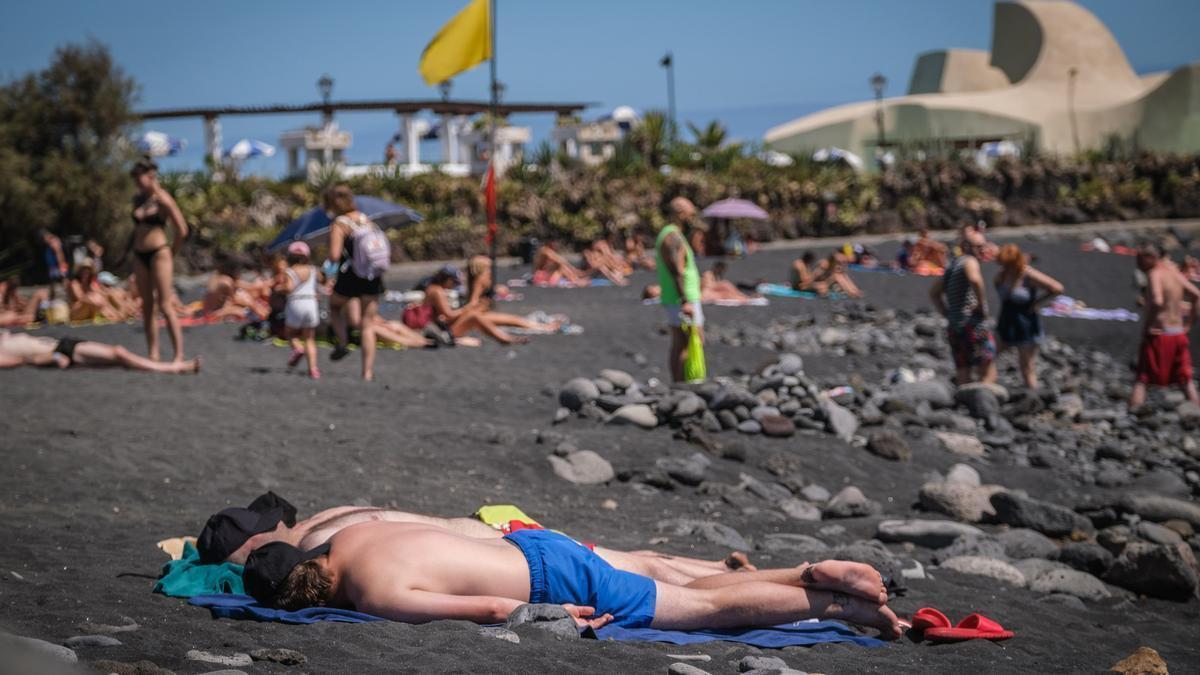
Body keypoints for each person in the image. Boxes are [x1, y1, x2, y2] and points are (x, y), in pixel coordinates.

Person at [243, 522, 901, 638]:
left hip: (546, 578)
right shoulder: (354, 539)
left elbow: (494, 608)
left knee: (705, 612)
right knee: (678, 583)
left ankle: (839, 605)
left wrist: (568, 618)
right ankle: (802, 571)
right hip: (533, 542)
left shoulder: (373, 593)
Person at [198, 493, 753, 585]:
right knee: (629, 558)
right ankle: (715, 566)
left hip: (504, 545)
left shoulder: (323, 543)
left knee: (630, 569)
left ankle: (721, 577)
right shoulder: (328, 514)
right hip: (494, 524)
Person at [129, 159, 189, 362]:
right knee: (147, 305)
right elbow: (136, 229)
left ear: (151, 175)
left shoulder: (163, 199)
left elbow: (182, 229)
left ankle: (178, 354)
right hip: (139, 254)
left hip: (159, 252)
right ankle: (153, 352)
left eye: (140, 177)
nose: (137, 182)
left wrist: (172, 252)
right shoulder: (138, 199)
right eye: (135, 178)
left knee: (165, 304)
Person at [324, 183, 385, 381]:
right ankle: (367, 372)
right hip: (372, 275)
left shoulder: (340, 223)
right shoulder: (365, 219)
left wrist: (325, 269)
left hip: (351, 275)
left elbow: (334, 255)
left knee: (334, 306)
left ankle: (342, 342)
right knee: (368, 324)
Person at [1129, 242, 1200, 408]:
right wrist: (1188, 325)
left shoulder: (1155, 274)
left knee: (1142, 377)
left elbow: (1157, 300)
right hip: (1177, 332)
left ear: (1151, 258)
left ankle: (1132, 413)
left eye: (1140, 259)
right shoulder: (1174, 273)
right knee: (1185, 379)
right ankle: (1197, 412)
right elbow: (1197, 295)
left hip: (1160, 333)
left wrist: (1148, 326)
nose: (1137, 263)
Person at [929, 229, 997, 385]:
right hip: (972, 325)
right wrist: (982, 305)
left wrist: (947, 313)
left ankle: (965, 404)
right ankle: (985, 405)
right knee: (987, 370)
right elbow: (975, 280)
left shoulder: (952, 265)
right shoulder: (969, 261)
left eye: (983, 246)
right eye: (978, 246)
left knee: (963, 370)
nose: (982, 250)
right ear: (966, 247)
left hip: (954, 325)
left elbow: (934, 293)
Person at [993, 244, 1064, 389]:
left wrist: (1037, 303)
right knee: (989, 356)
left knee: (1026, 366)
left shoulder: (1027, 274)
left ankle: (1033, 396)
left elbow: (1057, 288)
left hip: (1025, 323)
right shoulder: (1001, 275)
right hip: (1006, 321)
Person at [655, 197, 704, 382]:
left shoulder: (671, 234)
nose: (692, 217)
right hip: (682, 299)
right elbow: (677, 271)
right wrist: (686, 301)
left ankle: (680, 382)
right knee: (688, 341)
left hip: (677, 297)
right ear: (680, 213)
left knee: (680, 342)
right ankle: (684, 382)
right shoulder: (672, 236)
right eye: (691, 212)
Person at [0, 329, 200, 373]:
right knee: (119, 353)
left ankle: (172, 366)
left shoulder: (5, 338)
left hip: (62, 345)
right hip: (61, 349)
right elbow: (18, 361)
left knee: (119, 360)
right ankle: (173, 367)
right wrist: (51, 357)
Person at [420, 266, 529, 345]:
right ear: (448, 280)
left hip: (435, 328)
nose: (454, 286)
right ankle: (504, 338)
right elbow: (449, 316)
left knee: (474, 314)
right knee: (474, 316)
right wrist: (468, 308)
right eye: (454, 283)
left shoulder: (432, 289)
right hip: (439, 332)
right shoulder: (437, 291)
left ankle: (503, 337)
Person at [280, 242, 322, 379]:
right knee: (310, 338)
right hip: (311, 302)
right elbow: (323, 281)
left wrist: (278, 289)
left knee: (290, 333)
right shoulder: (313, 270)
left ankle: (298, 348)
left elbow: (289, 288)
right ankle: (313, 369)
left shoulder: (290, 271)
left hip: (296, 301)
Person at [37, 229, 68, 298]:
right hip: (54, 268)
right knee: (53, 290)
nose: (43, 241)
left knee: (60, 289)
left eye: (43, 239)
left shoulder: (54, 241)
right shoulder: (51, 243)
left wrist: (63, 273)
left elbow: (60, 256)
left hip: (57, 268)